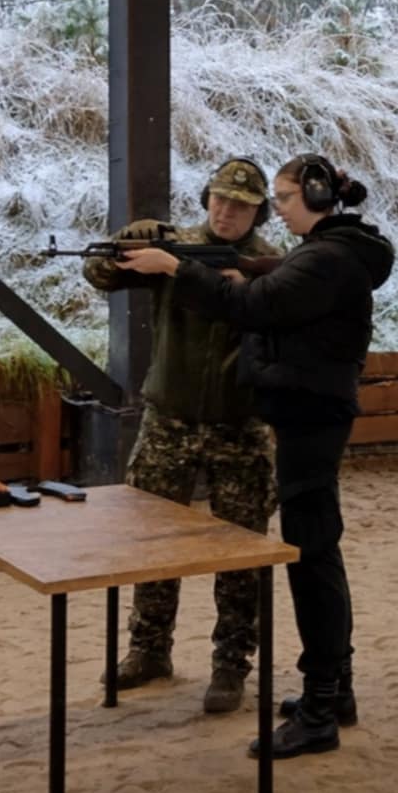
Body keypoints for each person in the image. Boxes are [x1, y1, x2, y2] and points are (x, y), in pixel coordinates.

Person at [118, 153, 393, 759]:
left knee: (312, 561)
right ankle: (335, 693)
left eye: (286, 199)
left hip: (308, 420)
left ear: (316, 198)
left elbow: (253, 307)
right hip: (307, 417)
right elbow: (267, 292)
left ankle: (320, 710)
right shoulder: (329, 253)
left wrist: (180, 268)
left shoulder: (325, 258)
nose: (281, 210)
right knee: (316, 555)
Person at [82, 157, 280, 714]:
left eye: (240, 205)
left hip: (240, 425)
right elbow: (100, 275)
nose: (226, 211)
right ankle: (149, 650)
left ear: (258, 211)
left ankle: (231, 663)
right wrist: (124, 243)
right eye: (219, 199)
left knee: (241, 551)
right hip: (169, 418)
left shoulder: (273, 266)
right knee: (153, 541)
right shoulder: (175, 249)